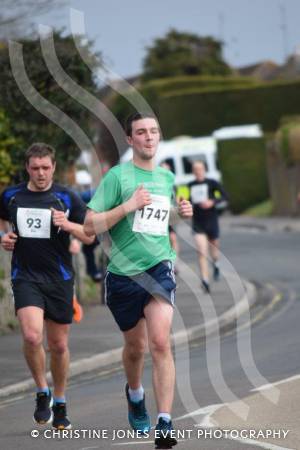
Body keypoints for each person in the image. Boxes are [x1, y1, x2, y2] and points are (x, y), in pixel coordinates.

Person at [84, 112, 192, 448]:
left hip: (159, 268)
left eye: (154, 131)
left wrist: (179, 212)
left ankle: (164, 421)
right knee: (136, 348)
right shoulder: (117, 177)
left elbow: (159, 219)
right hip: (122, 276)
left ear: (159, 137)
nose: (148, 137)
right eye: (141, 132)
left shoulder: (165, 178)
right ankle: (135, 394)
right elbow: (89, 226)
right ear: (130, 140)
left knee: (161, 343)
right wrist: (128, 206)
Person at [0, 143, 94, 430]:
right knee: (30, 336)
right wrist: (4, 237)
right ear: (27, 168)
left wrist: (68, 225)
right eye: (35, 168)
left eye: (45, 167)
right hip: (26, 276)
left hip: (59, 279)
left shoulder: (67, 197)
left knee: (59, 344)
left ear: (53, 167)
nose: (40, 173)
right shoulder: (11, 195)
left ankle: (61, 399)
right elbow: (3, 223)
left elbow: (90, 236)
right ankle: (42, 391)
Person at [188, 160, 228, 293]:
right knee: (201, 251)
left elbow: (225, 196)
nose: (198, 171)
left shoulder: (212, 183)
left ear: (204, 169)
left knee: (214, 247)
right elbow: (187, 200)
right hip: (198, 222)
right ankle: (205, 280)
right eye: (195, 169)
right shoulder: (190, 185)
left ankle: (216, 263)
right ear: (193, 171)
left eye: (200, 168)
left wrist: (212, 202)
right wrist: (184, 202)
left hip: (211, 220)